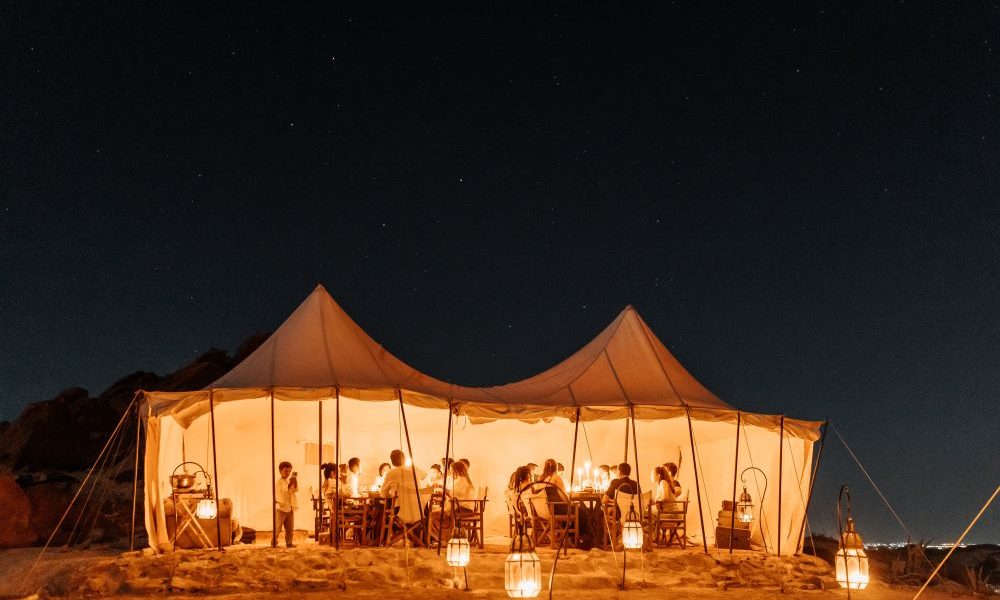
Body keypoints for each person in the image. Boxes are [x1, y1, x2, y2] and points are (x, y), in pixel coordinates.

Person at [380, 449, 427, 524]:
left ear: (392, 462)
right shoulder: (415, 469)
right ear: (404, 459)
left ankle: (391, 534)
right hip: (420, 513)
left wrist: (393, 494)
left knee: (383, 513)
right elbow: (425, 475)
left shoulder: (391, 474)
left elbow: (382, 494)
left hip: (401, 515)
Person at [274, 460, 298, 548]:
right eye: (285, 471)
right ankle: (274, 541)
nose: (288, 473)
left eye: (289, 471)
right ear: (280, 471)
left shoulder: (288, 481)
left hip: (290, 506)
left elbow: (294, 490)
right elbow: (283, 491)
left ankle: (289, 542)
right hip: (281, 507)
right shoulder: (279, 482)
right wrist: (290, 483)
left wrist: (294, 481)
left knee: (290, 528)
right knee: (278, 527)